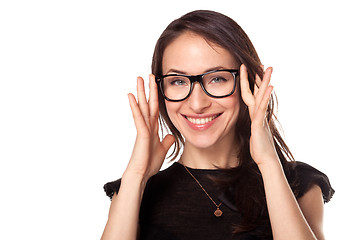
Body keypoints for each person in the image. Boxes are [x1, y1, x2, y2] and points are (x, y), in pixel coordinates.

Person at [101, 10, 334, 240]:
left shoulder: (297, 183)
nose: (197, 103)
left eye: (217, 78)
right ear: (160, 91)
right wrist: (137, 175)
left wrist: (269, 163)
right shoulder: (134, 191)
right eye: (179, 81)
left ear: (251, 84)